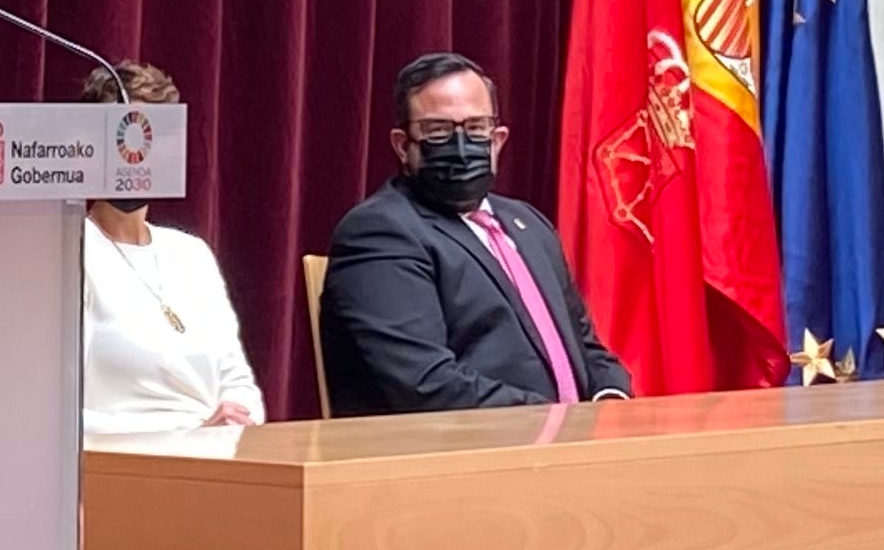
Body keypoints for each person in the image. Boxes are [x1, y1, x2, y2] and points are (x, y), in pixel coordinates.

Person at [319, 52, 629, 416]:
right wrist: (559, 421)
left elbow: (586, 348)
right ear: (403, 145)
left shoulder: (529, 225)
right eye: (438, 131)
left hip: (569, 442)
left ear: (497, 139)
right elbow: (425, 385)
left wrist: (610, 402)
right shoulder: (380, 232)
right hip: (467, 446)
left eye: (476, 128)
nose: (462, 147)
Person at [80, 62, 265, 435]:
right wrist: (185, 436)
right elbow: (62, 415)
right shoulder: (71, 252)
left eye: (150, 140)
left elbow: (240, 383)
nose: (137, 155)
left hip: (216, 452)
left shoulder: (191, 254)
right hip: (129, 460)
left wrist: (232, 422)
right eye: (123, 139)